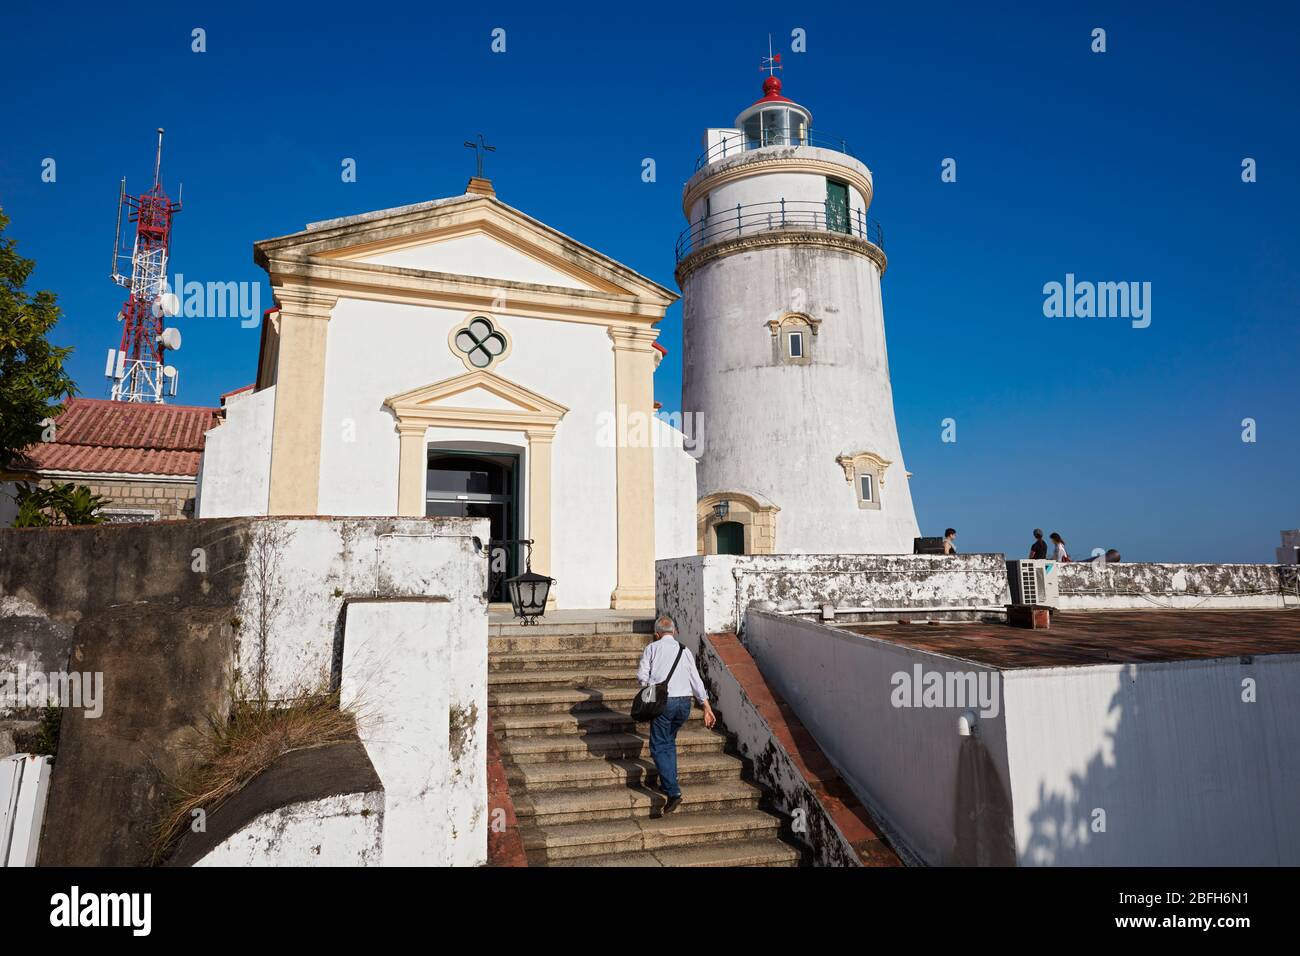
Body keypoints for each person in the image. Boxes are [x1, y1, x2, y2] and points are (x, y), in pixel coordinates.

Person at [636, 614, 715, 816]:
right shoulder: (684, 650)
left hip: (664, 703)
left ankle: (673, 791)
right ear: (675, 632)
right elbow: (695, 679)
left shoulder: (652, 648)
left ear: (656, 634)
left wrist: (650, 690)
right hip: (684, 704)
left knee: (659, 746)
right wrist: (706, 706)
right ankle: (670, 781)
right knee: (668, 743)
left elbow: (642, 677)